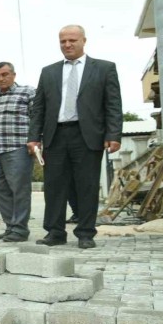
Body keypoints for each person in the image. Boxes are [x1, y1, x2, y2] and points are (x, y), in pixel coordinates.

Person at [28, 25, 122, 249]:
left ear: (83, 41)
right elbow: (38, 108)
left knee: (87, 185)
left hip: (88, 135)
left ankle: (86, 233)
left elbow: (113, 104)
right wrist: (34, 137)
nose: (67, 45)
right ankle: (55, 232)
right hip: (55, 135)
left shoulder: (104, 68)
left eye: (72, 40)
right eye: (63, 41)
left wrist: (114, 134)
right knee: (54, 186)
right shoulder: (48, 72)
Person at [0, 62, 35, 243]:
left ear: (14, 75)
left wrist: (37, 142)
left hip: (18, 148)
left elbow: (37, 119)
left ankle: (20, 229)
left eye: (5, 74)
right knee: (0, 191)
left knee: (19, 190)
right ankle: (10, 227)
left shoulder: (27, 92)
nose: (1, 79)